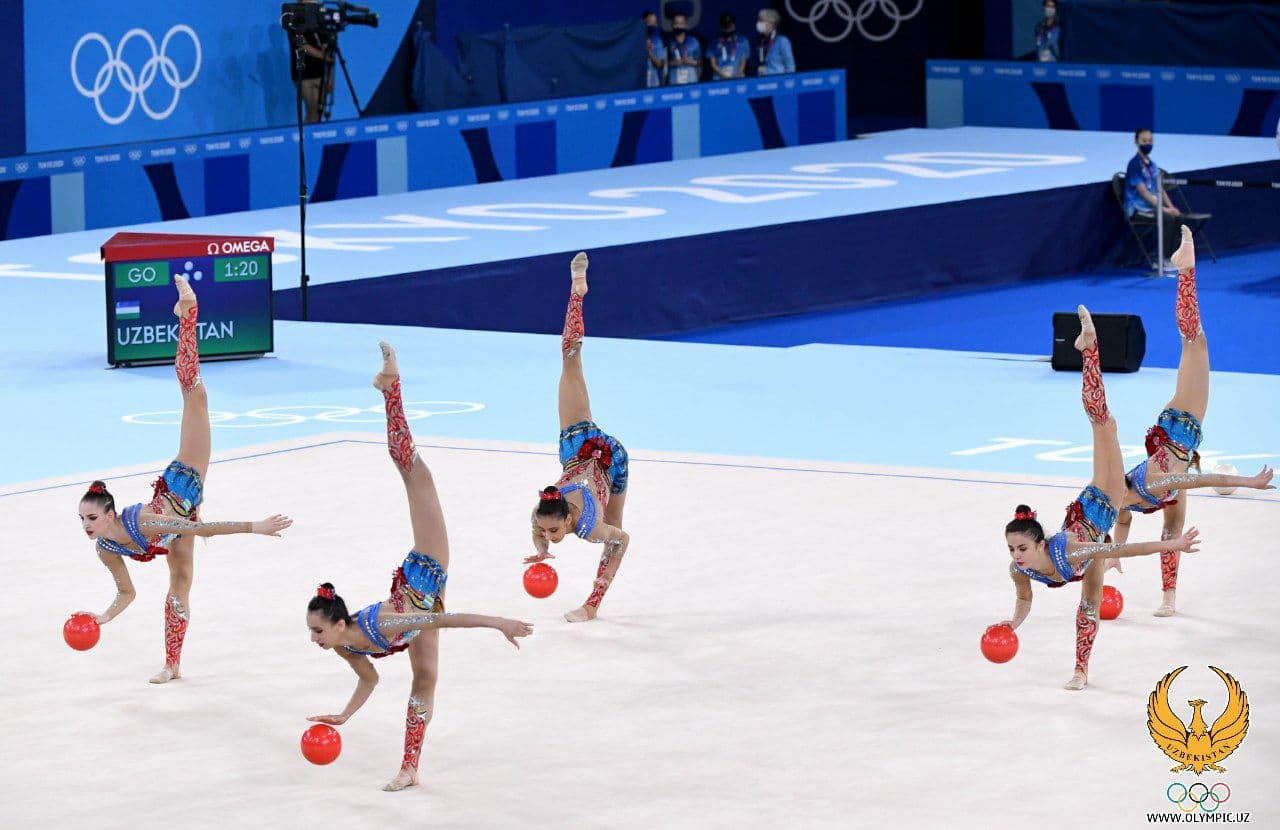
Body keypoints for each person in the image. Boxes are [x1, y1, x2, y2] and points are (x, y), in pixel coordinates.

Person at [306, 342, 534, 791]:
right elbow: (369, 679)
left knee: (412, 470)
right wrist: (344, 715)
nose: (314, 639)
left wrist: (499, 622)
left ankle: (391, 389)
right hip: (422, 613)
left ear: (337, 623)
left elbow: (446, 620)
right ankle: (410, 768)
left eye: (317, 631)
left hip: (426, 568)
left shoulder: (385, 623)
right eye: (312, 632)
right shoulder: (343, 646)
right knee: (424, 680)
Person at [75, 276, 293, 684]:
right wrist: (102, 618)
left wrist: (256, 527)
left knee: (195, 393)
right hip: (179, 524)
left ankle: (187, 315)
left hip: (184, 482)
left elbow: (203, 529)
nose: (86, 525)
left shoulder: (144, 522)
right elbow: (127, 592)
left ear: (109, 514)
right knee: (179, 585)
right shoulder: (106, 548)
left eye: (91, 518)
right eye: (82, 520)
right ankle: (172, 664)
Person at [995, 306, 1201, 691]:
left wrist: (1171, 544)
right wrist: (1013, 623)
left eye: (1021, 548)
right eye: (1012, 549)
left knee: (1103, 423)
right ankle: (1082, 671)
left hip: (1105, 498)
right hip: (1093, 531)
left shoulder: (1071, 552)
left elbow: (1127, 549)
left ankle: (1090, 349)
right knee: (1102, 423)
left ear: (1040, 543)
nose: (1017, 555)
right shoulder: (1019, 571)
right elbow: (1024, 601)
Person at [1107, 228, 1275, 615]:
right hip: (1176, 449)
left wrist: (1250, 482)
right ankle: (1169, 598)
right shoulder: (1125, 501)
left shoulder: (1152, 484)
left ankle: (1186, 270)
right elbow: (1125, 526)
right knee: (1173, 533)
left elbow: (1206, 479)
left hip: (1181, 425)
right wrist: (1114, 554)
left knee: (1194, 340)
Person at [524, 253, 633, 623]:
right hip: (602, 463)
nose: (549, 534)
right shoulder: (542, 513)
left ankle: (576, 291)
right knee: (569, 360)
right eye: (546, 530)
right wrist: (541, 549)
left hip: (591, 451)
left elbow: (623, 539)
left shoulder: (588, 527)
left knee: (570, 357)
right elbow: (537, 528)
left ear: (569, 520)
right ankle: (594, 605)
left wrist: (549, 543)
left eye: (553, 531)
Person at [1124, 128, 1189, 261]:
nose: (1147, 144)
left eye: (1150, 141)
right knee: (1168, 218)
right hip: (1138, 210)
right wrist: (1164, 209)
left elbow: (1161, 189)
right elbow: (1143, 192)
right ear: (1136, 143)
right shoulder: (1134, 165)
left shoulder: (1153, 165)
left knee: (1178, 217)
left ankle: (1172, 257)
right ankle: (1162, 260)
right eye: (1144, 141)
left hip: (1153, 208)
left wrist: (1171, 207)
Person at [288, 0, 334, 123]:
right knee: (313, 110)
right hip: (304, 75)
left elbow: (326, 47)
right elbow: (302, 44)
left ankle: (315, 133)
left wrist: (329, 76)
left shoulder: (319, 20)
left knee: (319, 112)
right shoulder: (294, 18)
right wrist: (322, 55)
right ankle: (308, 135)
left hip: (320, 74)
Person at [709, 12, 749, 80]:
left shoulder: (742, 40)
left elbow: (743, 61)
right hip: (719, 78)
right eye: (725, 26)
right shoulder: (714, 42)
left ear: (734, 25)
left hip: (737, 77)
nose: (728, 29)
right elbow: (713, 64)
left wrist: (738, 75)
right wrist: (724, 76)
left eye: (730, 25)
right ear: (721, 27)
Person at [755, 9, 795, 76]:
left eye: (761, 20)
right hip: (763, 79)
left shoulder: (782, 41)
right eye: (758, 20)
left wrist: (788, 80)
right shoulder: (761, 41)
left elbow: (790, 66)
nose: (758, 23)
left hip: (779, 80)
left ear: (771, 23)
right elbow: (760, 62)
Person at [667, 13, 702, 86]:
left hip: (691, 81)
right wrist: (672, 63)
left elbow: (700, 61)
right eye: (676, 23)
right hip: (674, 82)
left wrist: (692, 62)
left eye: (681, 24)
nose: (678, 26)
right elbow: (662, 63)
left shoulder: (693, 41)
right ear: (672, 25)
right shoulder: (667, 42)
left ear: (686, 25)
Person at [643, 11, 667, 88]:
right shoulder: (635, 41)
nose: (652, 25)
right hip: (638, 83)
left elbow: (660, 64)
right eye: (649, 22)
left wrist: (649, 52)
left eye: (654, 22)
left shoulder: (657, 41)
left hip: (654, 83)